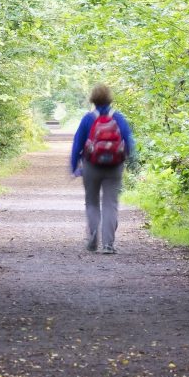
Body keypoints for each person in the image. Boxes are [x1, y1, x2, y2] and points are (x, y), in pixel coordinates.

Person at [70, 84, 135, 255]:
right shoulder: (118, 118)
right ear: (109, 98)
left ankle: (92, 238)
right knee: (110, 203)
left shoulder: (88, 118)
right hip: (114, 166)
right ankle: (108, 244)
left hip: (91, 165)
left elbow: (77, 144)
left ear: (93, 99)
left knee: (91, 202)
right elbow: (128, 142)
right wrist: (124, 158)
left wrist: (74, 166)